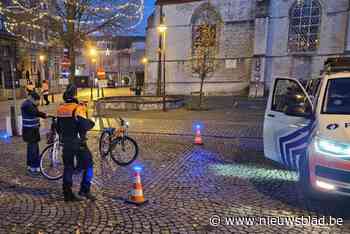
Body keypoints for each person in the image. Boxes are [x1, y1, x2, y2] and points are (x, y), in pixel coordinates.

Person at [56, 84, 96, 202]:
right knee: (89, 165)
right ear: (75, 95)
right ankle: (85, 189)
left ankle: (67, 193)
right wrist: (91, 122)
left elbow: (58, 127)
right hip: (79, 143)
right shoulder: (77, 108)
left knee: (68, 167)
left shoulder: (60, 108)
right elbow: (85, 125)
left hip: (66, 143)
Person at [21, 91, 47, 176]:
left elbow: (35, 114)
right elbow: (35, 113)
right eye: (37, 101)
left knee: (32, 148)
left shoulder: (30, 104)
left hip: (32, 130)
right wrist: (46, 115)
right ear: (32, 98)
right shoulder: (27, 105)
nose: (38, 102)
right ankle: (33, 168)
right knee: (33, 149)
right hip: (30, 131)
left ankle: (30, 165)